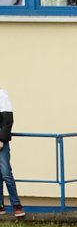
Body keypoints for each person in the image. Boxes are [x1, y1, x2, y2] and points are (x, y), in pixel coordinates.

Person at [0, 87, 26, 217]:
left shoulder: (2, 95)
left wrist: (2, 139)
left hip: (0, 142)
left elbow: (7, 120)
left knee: (6, 173)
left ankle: (16, 205)